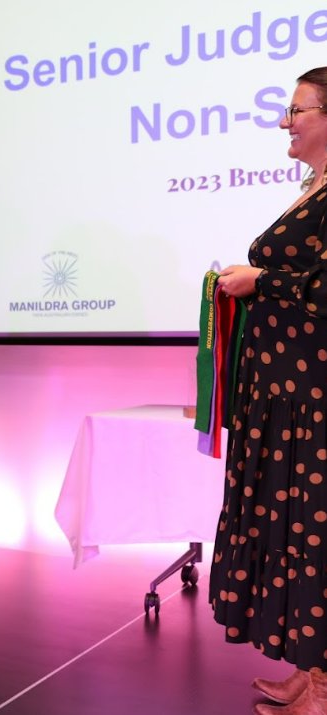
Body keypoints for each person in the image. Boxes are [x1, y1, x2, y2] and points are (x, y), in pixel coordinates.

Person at [213, 67, 327, 715]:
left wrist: (262, 281)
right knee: (296, 533)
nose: (284, 121)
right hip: (287, 396)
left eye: (297, 109)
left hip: (313, 400)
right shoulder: (314, 188)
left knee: (317, 536)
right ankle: (312, 670)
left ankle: (325, 687)